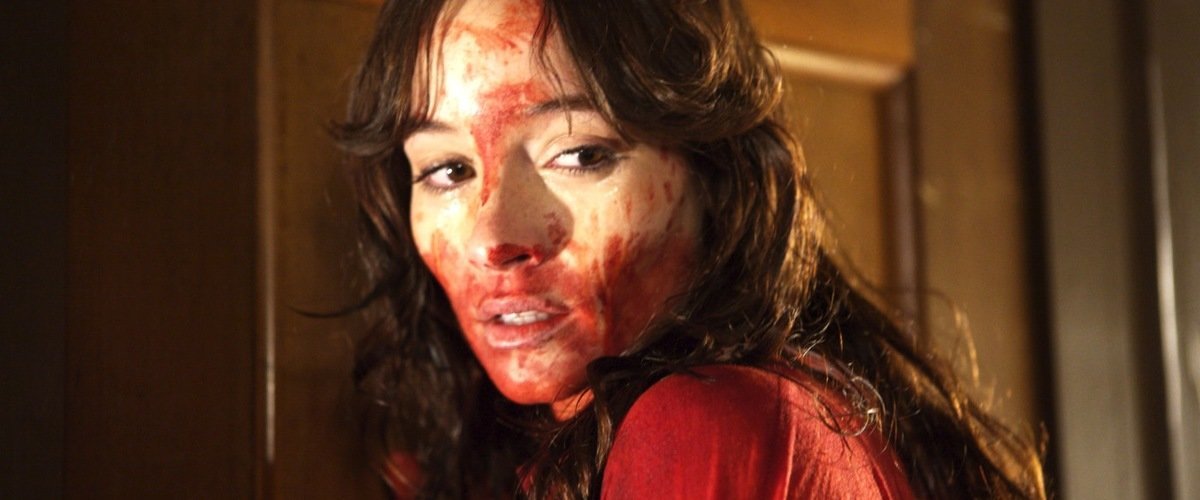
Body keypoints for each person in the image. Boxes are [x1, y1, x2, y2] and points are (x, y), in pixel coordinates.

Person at [336, 0, 1046, 498]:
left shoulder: (702, 425)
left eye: (580, 154)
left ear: (712, 175)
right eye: (447, 170)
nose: (493, 238)